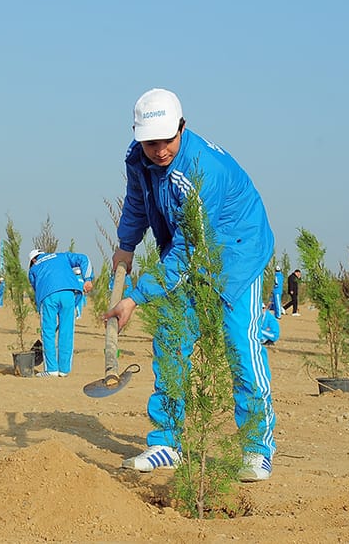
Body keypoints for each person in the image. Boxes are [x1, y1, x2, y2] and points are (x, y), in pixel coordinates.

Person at [106, 87, 277, 482]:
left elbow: (188, 251)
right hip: (190, 247)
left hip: (237, 252)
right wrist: (126, 246)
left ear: (182, 127)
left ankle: (256, 447)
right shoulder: (139, 159)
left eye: (167, 140)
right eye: (150, 142)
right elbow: (137, 201)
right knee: (170, 339)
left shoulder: (200, 172)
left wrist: (134, 297)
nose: (159, 150)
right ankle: (166, 442)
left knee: (240, 345)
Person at [27, 249, 93, 377]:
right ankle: (64, 370)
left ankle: (51, 369)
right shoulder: (62, 256)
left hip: (48, 296)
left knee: (48, 332)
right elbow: (84, 257)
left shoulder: (34, 268)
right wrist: (88, 279)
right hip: (69, 294)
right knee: (66, 331)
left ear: (33, 260)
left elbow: (36, 288)